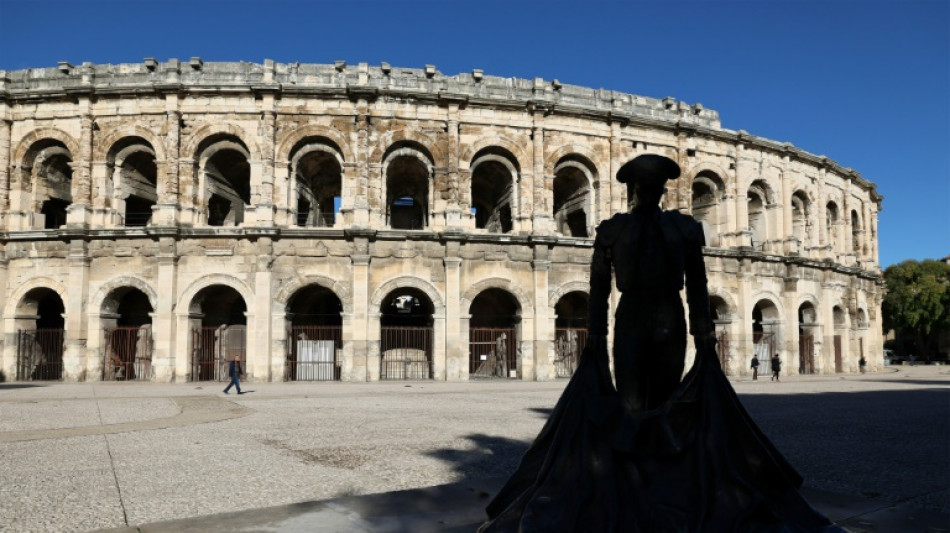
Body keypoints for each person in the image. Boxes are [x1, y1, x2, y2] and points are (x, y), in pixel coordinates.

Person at [479, 154, 843, 532]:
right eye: (644, 188)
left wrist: (703, 332)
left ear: (662, 191)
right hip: (634, 315)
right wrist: (597, 335)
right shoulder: (614, 230)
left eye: (656, 188)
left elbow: (698, 283)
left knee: (667, 396)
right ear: (632, 191)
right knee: (633, 399)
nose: (650, 194)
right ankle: (637, 479)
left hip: (669, 315)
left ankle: (657, 478)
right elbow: (599, 289)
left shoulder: (681, 228)